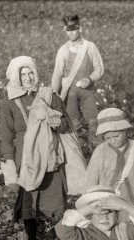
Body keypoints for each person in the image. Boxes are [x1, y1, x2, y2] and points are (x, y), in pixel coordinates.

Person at [0, 56, 74, 240]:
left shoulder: (49, 95)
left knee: (55, 200)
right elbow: (6, 137)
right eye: (22, 74)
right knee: (29, 203)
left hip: (50, 154)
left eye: (30, 72)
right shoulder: (9, 102)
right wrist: (9, 166)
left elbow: (66, 124)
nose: (28, 78)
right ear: (16, 77)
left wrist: (50, 118)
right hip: (25, 158)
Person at [51, 14, 104, 147]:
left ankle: (97, 152)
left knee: (93, 122)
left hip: (87, 91)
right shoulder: (63, 50)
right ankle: (78, 155)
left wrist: (90, 79)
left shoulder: (90, 47)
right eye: (68, 30)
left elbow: (99, 69)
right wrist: (53, 94)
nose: (71, 33)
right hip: (70, 93)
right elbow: (57, 73)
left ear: (80, 28)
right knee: (73, 123)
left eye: (73, 29)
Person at [85, 108, 134, 216]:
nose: (113, 140)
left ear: (125, 130)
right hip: (105, 205)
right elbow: (91, 180)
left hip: (131, 205)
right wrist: (88, 206)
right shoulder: (101, 151)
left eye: (116, 136)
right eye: (108, 138)